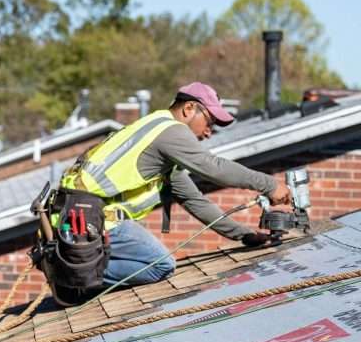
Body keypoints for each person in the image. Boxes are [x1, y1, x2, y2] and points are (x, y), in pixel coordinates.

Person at [60, 82, 292, 286]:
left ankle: (77, 264)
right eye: (209, 122)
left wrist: (243, 235)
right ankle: (74, 272)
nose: (209, 132)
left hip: (79, 214)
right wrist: (270, 185)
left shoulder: (158, 138)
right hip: (87, 219)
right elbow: (213, 167)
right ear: (189, 108)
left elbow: (193, 200)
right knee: (161, 265)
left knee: (156, 260)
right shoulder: (171, 132)